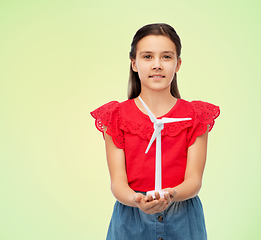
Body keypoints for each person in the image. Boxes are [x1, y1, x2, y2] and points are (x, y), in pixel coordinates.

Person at [90, 23, 220, 240]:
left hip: (183, 217)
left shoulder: (195, 115)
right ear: (134, 63)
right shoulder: (116, 116)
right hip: (131, 218)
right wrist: (136, 201)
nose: (157, 65)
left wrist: (171, 194)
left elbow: (194, 180)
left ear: (178, 64)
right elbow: (118, 181)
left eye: (166, 57)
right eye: (147, 56)